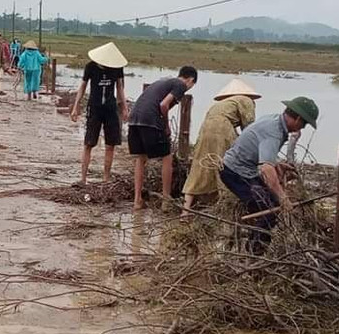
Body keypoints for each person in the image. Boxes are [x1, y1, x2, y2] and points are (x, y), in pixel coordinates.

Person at [220, 96, 320, 251]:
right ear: (298, 119)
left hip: (246, 170)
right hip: (235, 172)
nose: (302, 128)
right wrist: (283, 197)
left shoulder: (274, 119)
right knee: (270, 209)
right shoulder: (274, 132)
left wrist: (277, 164)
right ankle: (255, 252)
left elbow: (262, 155)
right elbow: (266, 169)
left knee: (267, 203)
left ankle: (252, 243)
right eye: (304, 124)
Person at [181, 78, 261, 216]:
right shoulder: (246, 101)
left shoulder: (220, 105)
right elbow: (249, 129)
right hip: (223, 128)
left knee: (199, 166)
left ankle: (185, 211)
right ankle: (225, 208)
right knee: (226, 166)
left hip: (205, 129)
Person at [126, 66, 198, 210]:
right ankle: (166, 199)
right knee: (167, 156)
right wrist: (166, 126)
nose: (189, 88)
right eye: (192, 85)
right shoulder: (180, 85)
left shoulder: (163, 82)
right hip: (149, 119)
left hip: (134, 119)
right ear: (190, 80)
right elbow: (164, 105)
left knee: (141, 158)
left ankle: (137, 201)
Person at [70, 42, 128, 185]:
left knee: (110, 145)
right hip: (94, 108)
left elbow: (120, 87)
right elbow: (83, 86)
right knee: (89, 143)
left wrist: (124, 108)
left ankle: (106, 178)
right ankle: (83, 178)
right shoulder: (90, 67)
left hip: (110, 109)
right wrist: (76, 106)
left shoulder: (117, 68)